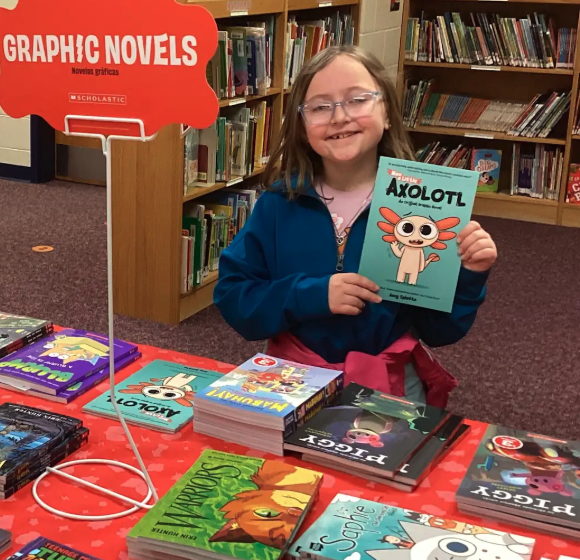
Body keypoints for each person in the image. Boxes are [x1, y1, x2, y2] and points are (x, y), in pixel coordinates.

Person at [213, 46, 497, 406]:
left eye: (358, 99)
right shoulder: (278, 204)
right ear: (302, 126)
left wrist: (468, 276)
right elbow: (235, 297)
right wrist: (311, 295)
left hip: (387, 381)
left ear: (388, 113)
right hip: (291, 380)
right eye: (319, 106)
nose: (339, 117)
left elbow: (440, 331)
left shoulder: (420, 207)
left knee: (389, 459)